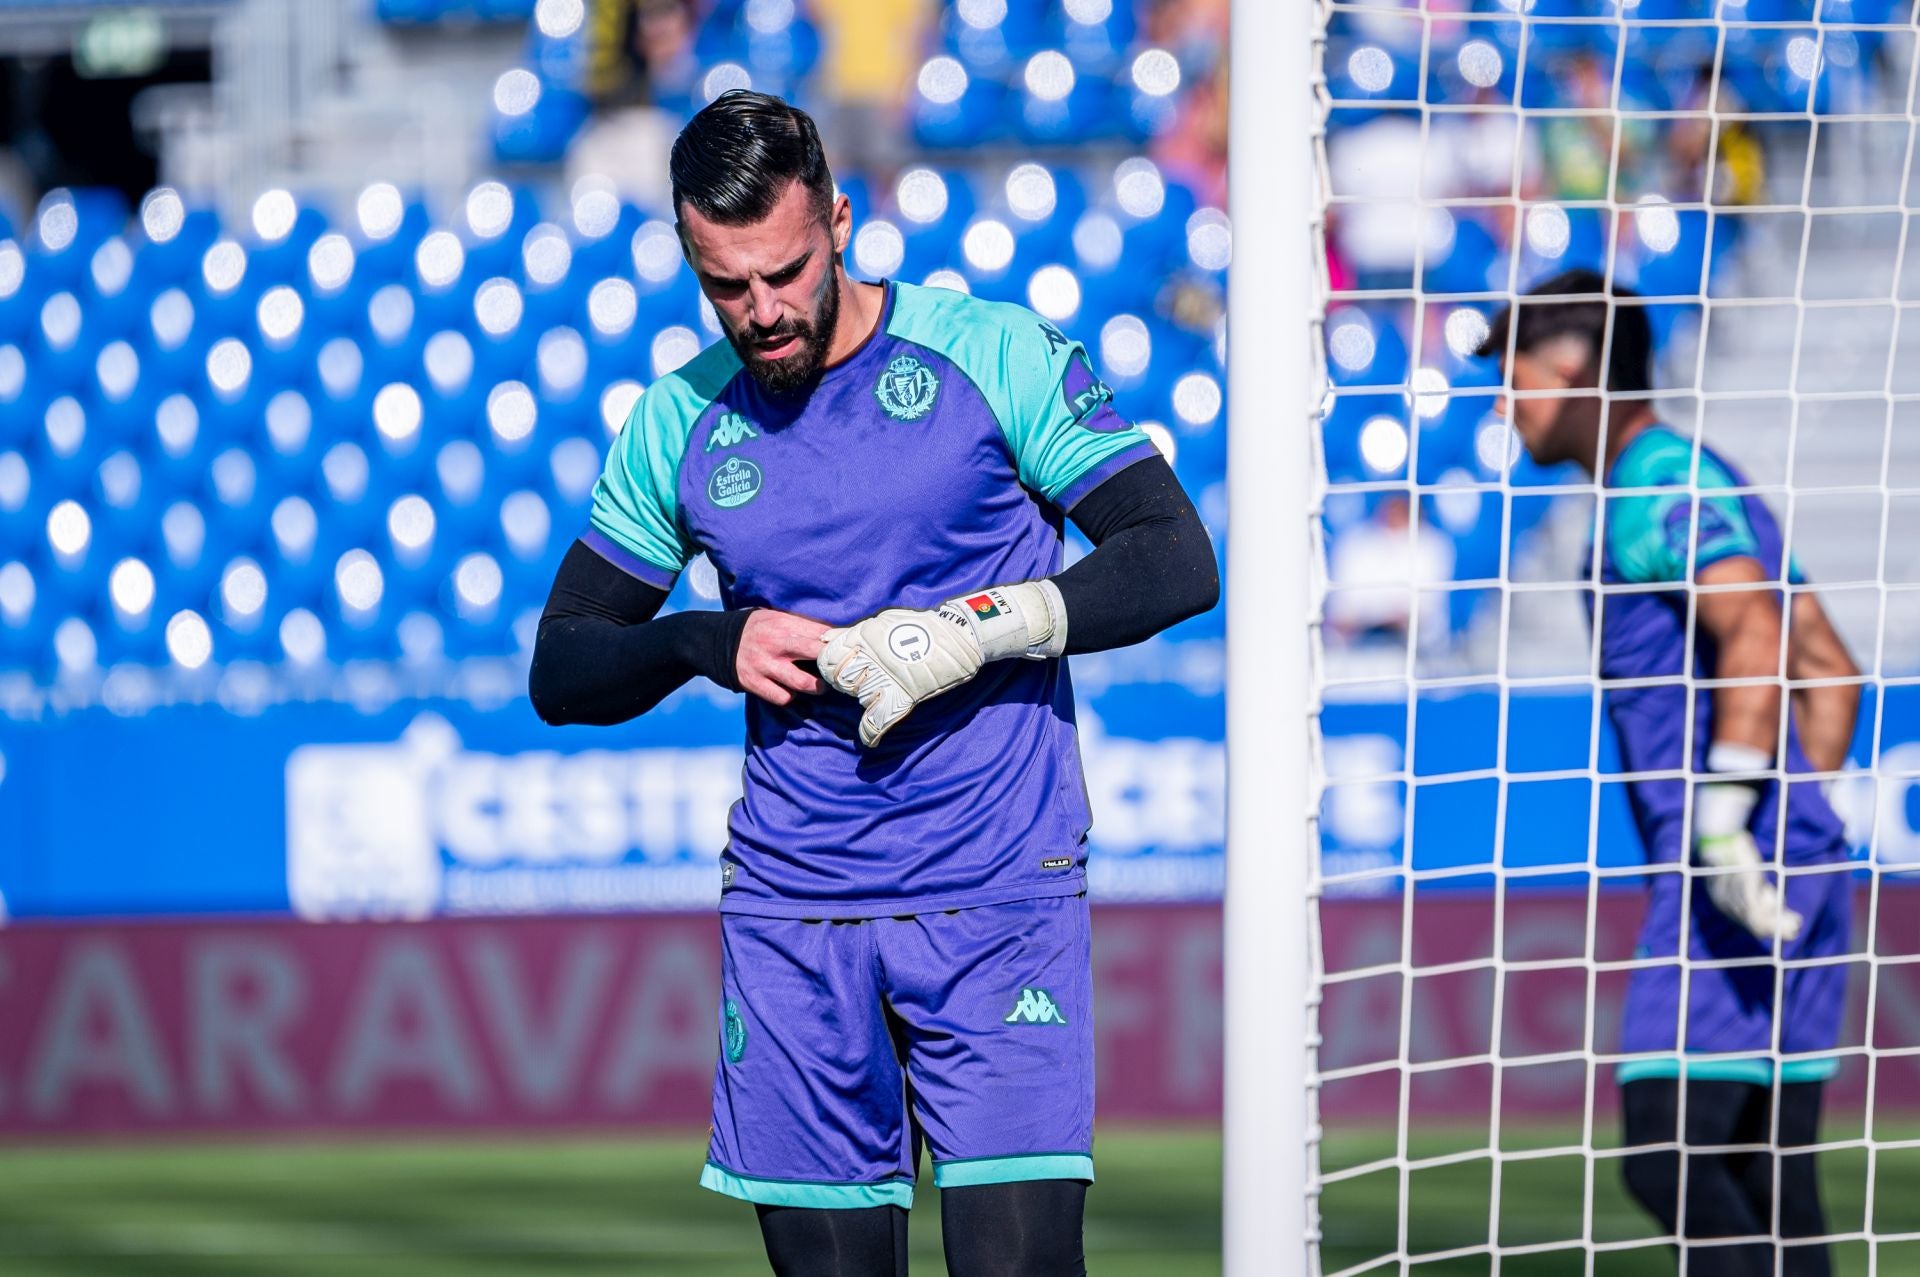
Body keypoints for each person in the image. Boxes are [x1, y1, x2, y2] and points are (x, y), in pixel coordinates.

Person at [528, 91, 1218, 1277]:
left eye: (785, 272)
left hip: (997, 892)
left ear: (840, 222)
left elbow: (1174, 556)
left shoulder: (992, 352)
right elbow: (564, 662)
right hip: (795, 911)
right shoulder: (678, 420)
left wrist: (977, 627)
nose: (762, 310)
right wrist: (708, 640)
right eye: (725, 285)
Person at [1480, 269, 1860, 1276]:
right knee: (1771, 1179)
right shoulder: (1704, 477)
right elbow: (1830, 670)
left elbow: (1755, 632)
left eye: (1513, 378)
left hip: (1724, 861)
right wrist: (1802, 820)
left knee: (1666, 1154)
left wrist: (1732, 819)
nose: (1503, 405)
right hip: (1791, 856)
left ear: (1572, 368)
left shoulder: (1657, 485)